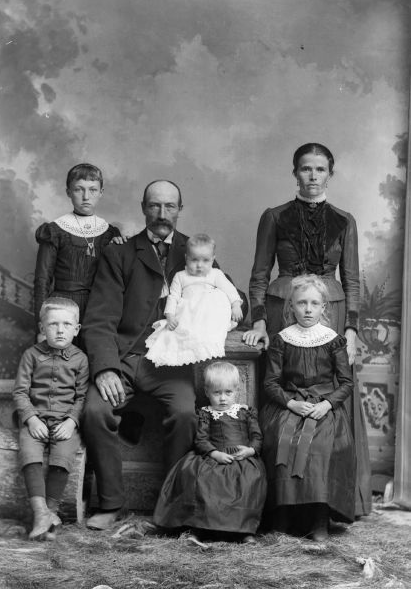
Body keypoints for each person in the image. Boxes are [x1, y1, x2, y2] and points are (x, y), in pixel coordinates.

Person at [81, 180, 246, 531]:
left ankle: (171, 506)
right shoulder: (120, 253)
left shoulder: (194, 250)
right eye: (155, 206)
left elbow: (231, 290)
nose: (162, 214)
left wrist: (250, 315)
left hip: (168, 363)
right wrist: (105, 369)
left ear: (180, 209)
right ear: (143, 207)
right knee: (95, 410)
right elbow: (99, 317)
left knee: (186, 413)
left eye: (170, 207)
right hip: (125, 356)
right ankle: (111, 504)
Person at [243, 142, 371, 517]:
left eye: (319, 169)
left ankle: (328, 501)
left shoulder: (344, 220)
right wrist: (260, 320)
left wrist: (351, 329)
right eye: (305, 169)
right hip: (284, 308)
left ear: (330, 173)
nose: (312, 176)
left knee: (332, 397)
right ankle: (281, 502)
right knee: (282, 397)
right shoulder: (274, 216)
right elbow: (258, 275)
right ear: (294, 173)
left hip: (330, 310)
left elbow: (351, 279)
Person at [261, 275, 356, 541]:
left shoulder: (333, 340)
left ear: (324, 307)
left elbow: (346, 383)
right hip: (289, 403)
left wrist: (326, 405)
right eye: (301, 303)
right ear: (291, 306)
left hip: (324, 407)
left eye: (314, 303)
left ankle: (318, 520)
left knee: (320, 444)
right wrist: (290, 403)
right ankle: (283, 516)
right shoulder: (282, 339)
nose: (307, 309)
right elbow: (270, 383)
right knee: (282, 438)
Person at [153, 361, 266, 543]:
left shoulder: (245, 412)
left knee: (248, 480)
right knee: (203, 479)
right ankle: (198, 529)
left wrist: (250, 450)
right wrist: (214, 453)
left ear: (236, 390)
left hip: (241, 457)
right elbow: (201, 440)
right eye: (217, 393)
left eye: (228, 392)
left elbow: (257, 436)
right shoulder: (205, 413)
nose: (223, 399)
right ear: (207, 392)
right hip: (214, 455)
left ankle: (243, 531)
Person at [12, 297, 89, 540]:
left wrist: (71, 422)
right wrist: (31, 419)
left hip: (64, 421)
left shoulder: (80, 359)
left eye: (67, 324)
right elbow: (20, 392)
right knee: (29, 452)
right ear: (42, 327)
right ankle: (41, 514)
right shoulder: (31, 355)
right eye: (53, 324)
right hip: (36, 418)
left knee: (63, 455)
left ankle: (52, 510)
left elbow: (82, 396)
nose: (59, 329)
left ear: (76, 330)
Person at [33, 163, 122, 339]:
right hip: (62, 310)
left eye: (93, 190)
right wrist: (42, 324)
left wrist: (119, 247)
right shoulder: (55, 231)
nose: (86, 197)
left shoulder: (110, 233)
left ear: (101, 192)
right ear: (68, 192)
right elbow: (42, 281)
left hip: (98, 310)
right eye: (78, 190)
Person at [145, 233, 243, 366]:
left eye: (205, 260)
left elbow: (230, 290)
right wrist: (170, 316)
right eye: (194, 260)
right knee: (175, 330)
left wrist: (235, 305)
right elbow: (173, 297)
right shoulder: (180, 276)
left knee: (218, 296)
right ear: (186, 258)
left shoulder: (215, 274)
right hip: (188, 312)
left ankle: (208, 335)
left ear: (213, 259)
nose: (199, 266)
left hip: (209, 312)